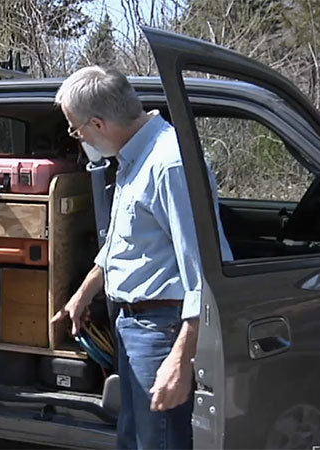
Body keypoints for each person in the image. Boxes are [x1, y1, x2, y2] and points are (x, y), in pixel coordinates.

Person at [50, 65, 233, 449]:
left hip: (161, 332)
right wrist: (85, 291)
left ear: (97, 123)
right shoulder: (135, 156)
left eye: (74, 127)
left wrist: (180, 361)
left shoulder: (169, 163)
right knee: (134, 440)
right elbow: (125, 240)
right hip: (134, 329)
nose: (76, 136)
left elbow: (203, 274)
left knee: (159, 443)